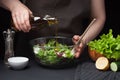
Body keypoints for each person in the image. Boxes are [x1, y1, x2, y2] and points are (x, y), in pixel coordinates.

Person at [0, 0, 106, 59]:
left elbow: (98, 17)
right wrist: (15, 5)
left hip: (71, 54)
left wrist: (83, 40)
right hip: (29, 53)